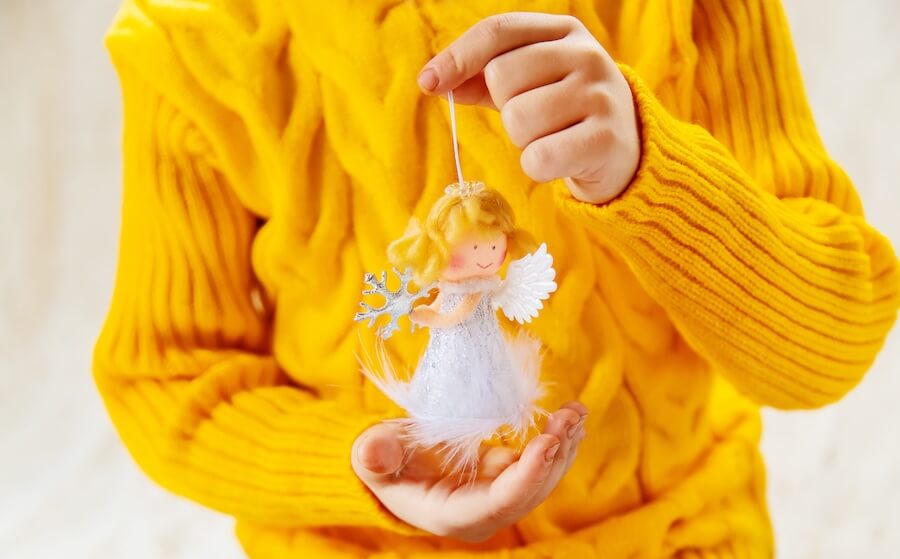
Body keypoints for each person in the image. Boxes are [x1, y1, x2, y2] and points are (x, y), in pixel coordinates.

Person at [94, 1, 899, 557]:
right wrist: (364, 465)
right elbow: (169, 382)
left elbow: (825, 353)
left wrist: (648, 171)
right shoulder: (193, 46)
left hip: (677, 536)